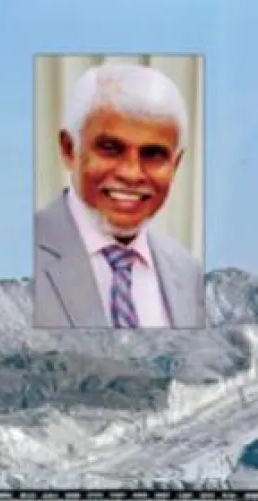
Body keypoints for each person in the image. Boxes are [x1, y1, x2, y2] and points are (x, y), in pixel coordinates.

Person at [32, 62, 205, 330]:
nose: (131, 173)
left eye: (153, 154)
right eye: (111, 148)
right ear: (69, 149)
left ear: (176, 164)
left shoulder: (189, 274)